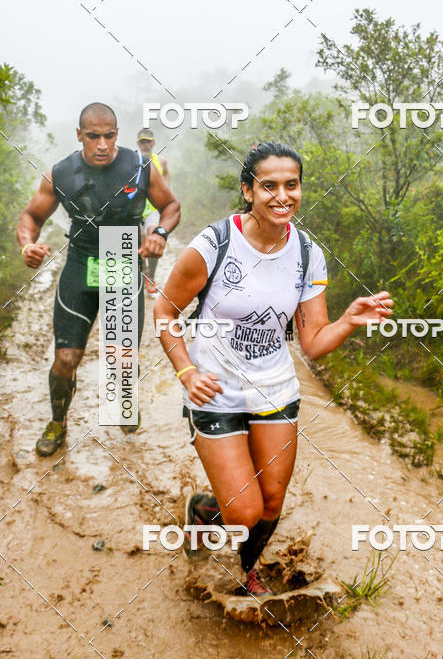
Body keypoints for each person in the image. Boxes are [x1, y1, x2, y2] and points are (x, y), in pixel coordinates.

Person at [154, 141, 392, 596]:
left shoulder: (307, 254)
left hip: (275, 389)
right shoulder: (213, 246)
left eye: (292, 185)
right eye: (269, 186)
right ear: (248, 191)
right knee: (243, 511)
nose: (282, 196)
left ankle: (247, 574)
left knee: (272, 501)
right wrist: (185, 371)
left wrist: (347, 321)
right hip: (214, 391)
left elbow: (313, 343)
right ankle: (206, 512)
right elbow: (165, 314)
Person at [17, 102, 180, 456]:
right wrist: (27, 245)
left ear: (117, 135)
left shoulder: (140, 167)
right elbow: (31, 215)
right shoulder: (61, 173)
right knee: (66, 357)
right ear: (80, 136)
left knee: (122, 357)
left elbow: (171, 206)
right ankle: (58, 422)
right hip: (81, 260)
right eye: (93, 137)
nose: (102, 144)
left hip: (122, 255)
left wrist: (160, 234)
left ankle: (124, 400)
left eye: (109, 136)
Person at [136, 128, 171, 294]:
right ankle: (142, 275)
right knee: (140, 243)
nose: (145, 144)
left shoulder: (161, 161)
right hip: (136, 208)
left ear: (153, 143)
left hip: (152, 208)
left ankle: (151, 278)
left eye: (148, 141)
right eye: (142, 141)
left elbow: (166, 182)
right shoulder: (131, 161)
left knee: (152, 238)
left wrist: (165, 203)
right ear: (138, 143)